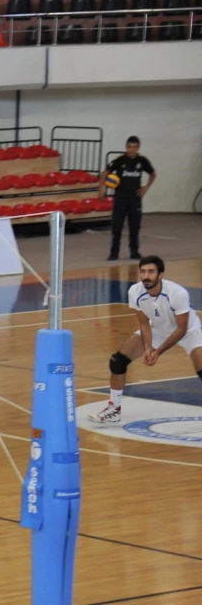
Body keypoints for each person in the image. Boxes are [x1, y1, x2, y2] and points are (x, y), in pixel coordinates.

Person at [89, 255, 201, 425]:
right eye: (143, 272)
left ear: (160, 275)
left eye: (151, 272)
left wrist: (158, 351)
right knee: (117, 361)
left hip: (188, 331)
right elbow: (143, 322)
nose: (146, 276)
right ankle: (114, 409)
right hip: (157, 329)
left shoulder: (177, 293)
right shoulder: (135, 291)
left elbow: (181, 329)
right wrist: (148, 347)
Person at [100, 136, 155, 262]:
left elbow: (153, 173)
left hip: (135, 198)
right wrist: (101, 189)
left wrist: (146, 187)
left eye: (134, 147)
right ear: (126, 147)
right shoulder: (120, 160)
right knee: (117, 226)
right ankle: (114, 253)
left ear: (138, 148)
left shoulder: (142, 161)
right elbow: (105, 173)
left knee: (135, 226)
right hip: (120, 198)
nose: (132, 150)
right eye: (130, 147)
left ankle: (134, 252)